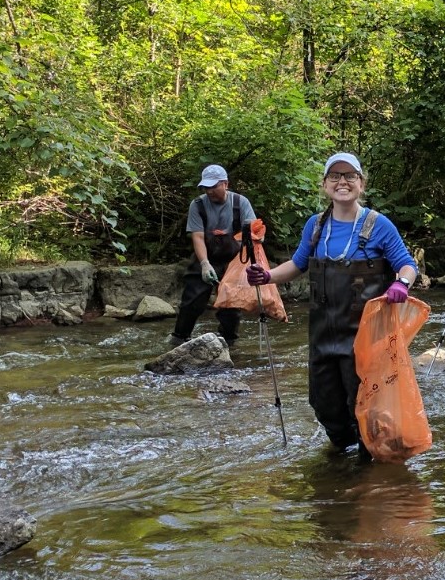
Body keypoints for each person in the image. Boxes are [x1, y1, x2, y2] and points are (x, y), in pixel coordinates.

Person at [245, 152, 419, 454]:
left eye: (350, 176)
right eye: (335, 176)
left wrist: (401, 284)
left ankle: (370, 461)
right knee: (324, 404)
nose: (343, 182)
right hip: (323, 335)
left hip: (366, 337)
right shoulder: (315, 226)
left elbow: (407, 265)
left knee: (364, 404)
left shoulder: (379, 225)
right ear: (325, 185)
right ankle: (342, 457)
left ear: (361, 184)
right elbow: (298, 264)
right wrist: (267, 276)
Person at [170, 164, 258, 347]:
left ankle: (229, 344)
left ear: (225, 184)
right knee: (192, 299)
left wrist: (256, 239)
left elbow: (252, 232)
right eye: (206, 187)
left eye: (213, 186)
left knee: (231, 306)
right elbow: (198, 237)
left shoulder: (240, 203)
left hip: (234, 261)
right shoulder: (197, 205)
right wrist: (204, 264)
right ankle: (178, 339)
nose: (209, 191)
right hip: (206, 256)